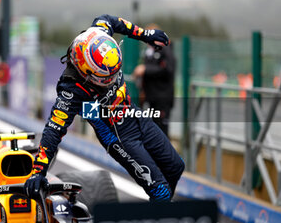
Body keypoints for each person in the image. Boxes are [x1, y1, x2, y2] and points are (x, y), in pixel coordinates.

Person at [24, 14, 184, 202]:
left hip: (135, 116)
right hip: (119, 137)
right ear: (85, 71)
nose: (112, 80)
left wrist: (145, 34)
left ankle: (165, 213)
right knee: (161, 192)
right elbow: (53, 130)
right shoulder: (70, 90)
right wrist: (38, 171)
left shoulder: (99, 30)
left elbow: (111, 19)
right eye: (105, 78)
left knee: (176, 167)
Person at [133, 24, 176, 136]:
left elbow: (168, 69)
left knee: (161, 131)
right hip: (152, 98)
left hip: (162, 99)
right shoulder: (149, 52)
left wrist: (145, 69)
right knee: (153, 130)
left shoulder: (165, 49)